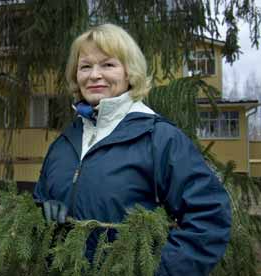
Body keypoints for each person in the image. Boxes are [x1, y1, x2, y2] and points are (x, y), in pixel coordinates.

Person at [33, 23, 231, 276]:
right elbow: (38, 199)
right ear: (76, 75)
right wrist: (44, 207)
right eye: (85, 66)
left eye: (108, 65)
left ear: (130, 72)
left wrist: (163, 272)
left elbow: (209, 216)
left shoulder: (159, 138)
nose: (94, 75)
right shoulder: (64, 143)